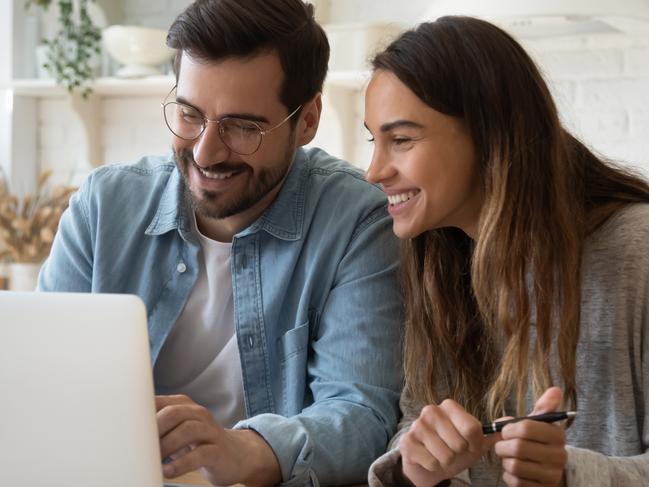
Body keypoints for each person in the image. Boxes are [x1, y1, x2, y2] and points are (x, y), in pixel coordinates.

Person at [38, 0, 403, 485]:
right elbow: (39, 378)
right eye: (189, 115)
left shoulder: (356, 221)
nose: (206, 152)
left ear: (308, 119)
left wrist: (239, 450)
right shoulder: (104, 207)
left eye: (242, 126)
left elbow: (362, 416)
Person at [363, 16, 649, 487]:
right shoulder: (437, 259)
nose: (373, 171)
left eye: (402, 140)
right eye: (375, 139)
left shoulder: (636, 252)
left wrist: (569, 476)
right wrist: (415, 468)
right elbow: (414, 425)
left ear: (490, 135)